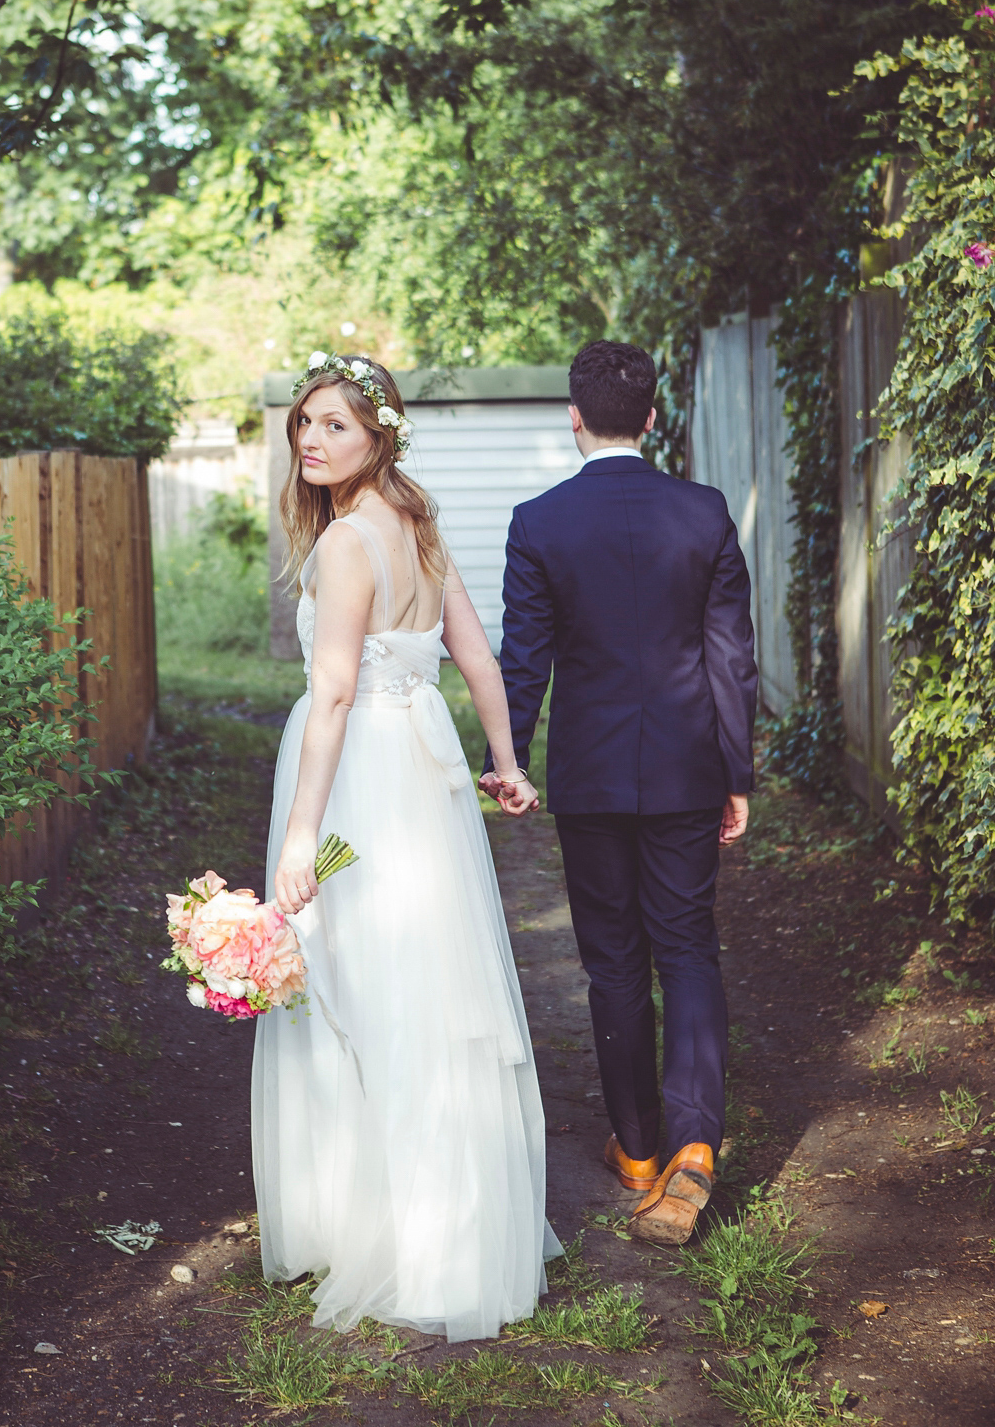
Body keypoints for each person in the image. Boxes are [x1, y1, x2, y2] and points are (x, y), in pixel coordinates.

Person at [252, 351, 562, 1342]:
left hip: (364, 772)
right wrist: (504, 760)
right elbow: (472, 650)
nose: (310, 439)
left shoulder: (351, 540)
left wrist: (302, 837)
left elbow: (336, 689)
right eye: (304, 423)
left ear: (379, 432)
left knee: (362, 980)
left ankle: (383, 1227)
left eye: (334, 425)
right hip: (422, 761)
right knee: (424, 978)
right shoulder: (419, 527)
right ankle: (438, 1226)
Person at [481, 340, 757, 1247]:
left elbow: (523, 660)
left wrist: (509, 761)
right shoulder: (705, 512)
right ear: (651, 417)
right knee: (688, 949)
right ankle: (695, 1151)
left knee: (611, 960)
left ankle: (638, 1149)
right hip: (686, 770)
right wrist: (736, 771)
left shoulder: (540, 521)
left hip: (592, 775)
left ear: (573, 417)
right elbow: (731, 659)